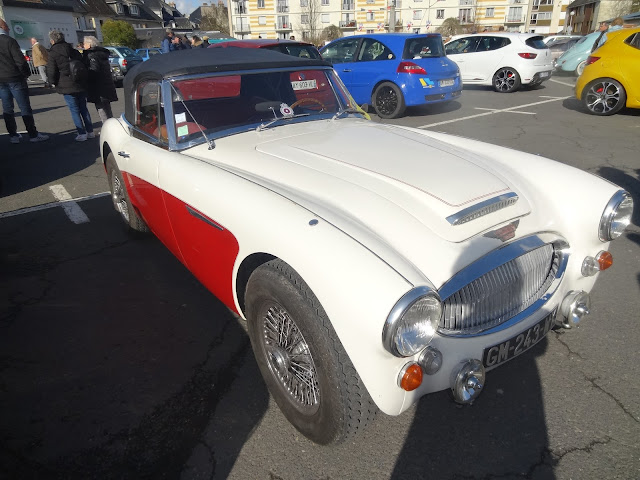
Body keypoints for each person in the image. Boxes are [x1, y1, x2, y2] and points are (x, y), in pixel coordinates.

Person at [0, 18, 49, 143]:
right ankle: (32, 134)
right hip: (15, 77)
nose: (9, 29)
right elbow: (20, 61)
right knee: (24, 107)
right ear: (3, 27)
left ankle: (13, 135)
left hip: (2, 79)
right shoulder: (10, 41)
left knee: (7, 108)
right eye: (7, 27)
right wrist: (25, 74)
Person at [46, 30, 94, 142]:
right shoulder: (73, 50)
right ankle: (90, 131)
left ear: (52, 41)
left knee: (74, 109)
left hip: (65, 84)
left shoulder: (53, 53)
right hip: (79, 82)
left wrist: (52, 82)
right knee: (83, 108)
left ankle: (81, 133)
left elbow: (51, 70)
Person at [82, 36, 118, 122]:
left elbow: (94, 70)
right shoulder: (103, 53)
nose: (83, 45)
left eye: (84, 43)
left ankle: (106, 127)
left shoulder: (91, 55)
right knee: (107, 107)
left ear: (89, 44)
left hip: (97, 86)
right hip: (106, 83)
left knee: (101, 108)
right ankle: (111, 125)